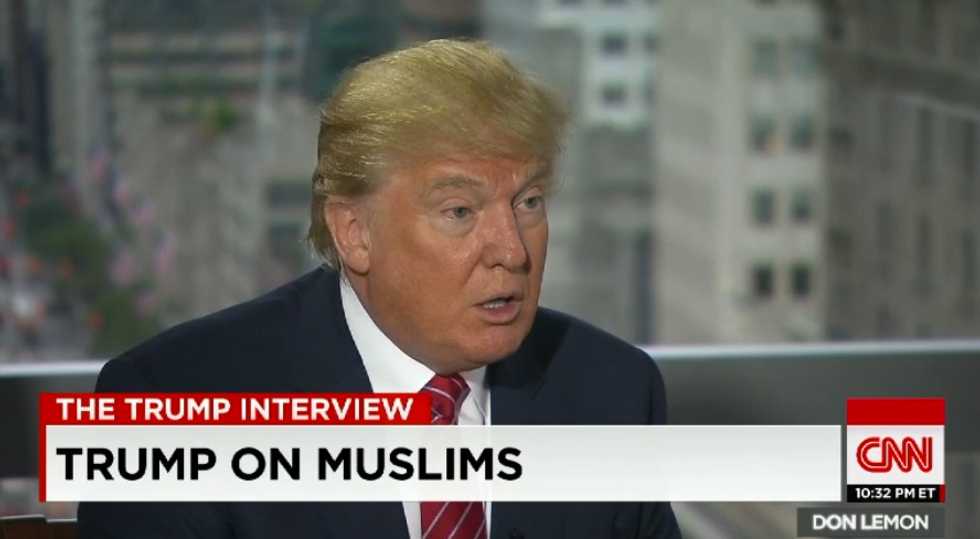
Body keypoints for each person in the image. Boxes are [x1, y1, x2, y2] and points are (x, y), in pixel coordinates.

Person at [78, 39, 681, 539]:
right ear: (355, 232)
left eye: (528, 202)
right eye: (460, 211)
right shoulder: (170, 410)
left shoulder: (613, 393)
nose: (512, 250)